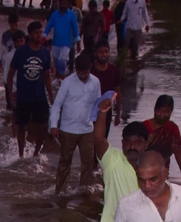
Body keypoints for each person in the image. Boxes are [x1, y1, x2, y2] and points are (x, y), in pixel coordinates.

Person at [91, 97, 146, 222]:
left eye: (138, 142)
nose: (132, 146)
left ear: (146, 144)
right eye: (128, 141)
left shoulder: (151, 167)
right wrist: (102, 114)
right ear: (122, 143)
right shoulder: (113, 160)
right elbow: (98, 139)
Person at [49, 53, 100, 193]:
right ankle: (59, 191)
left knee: (88, 162)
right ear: (75, 70)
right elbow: (57, 105)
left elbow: (98, 104)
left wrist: (97, 125)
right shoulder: (67, 83)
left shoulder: (95, 82)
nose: (84, 76)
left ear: (90, 68)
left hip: (87, 129)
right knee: (65, 161)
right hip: (68, 129)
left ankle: (84, 190)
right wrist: (54, 125)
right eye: (81, 73)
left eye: (86, 73)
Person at [8, 21, 55, 158]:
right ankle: (21, 155)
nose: (39, 35)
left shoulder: (45, 52)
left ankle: (35, 153)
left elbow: (46, 75)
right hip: (23, 97)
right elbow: (11, 74)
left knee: (43, 126)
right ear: (30, 35)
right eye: (36, 33)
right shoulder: (20, 52)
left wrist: (51, 96)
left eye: (41, 32)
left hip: (39, 96)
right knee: (21, 127)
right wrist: (11, 95)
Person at [141, 94, 181, 187]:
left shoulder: (172, 128)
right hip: (144, 171)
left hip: (163, 172)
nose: (162, 115)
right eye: (160, 111)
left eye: (166, 112)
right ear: (155, 110)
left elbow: (177, 151)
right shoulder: (144, 127)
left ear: (171, 112)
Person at [89, 41, 122, 133]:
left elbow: (117, 92)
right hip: (90, 116)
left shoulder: (114, 70)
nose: (104, 54)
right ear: (95, 53)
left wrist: (118, 114)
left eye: (106, 51)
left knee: (102, 143)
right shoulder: (90, 72)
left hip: (106, 116)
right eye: (101, 52)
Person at [44, 0, 81, 77]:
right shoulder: (54, 14)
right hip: (55, 42)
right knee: (56, 60)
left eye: (64, 3)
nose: (62, 5)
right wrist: (43, 38)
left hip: (66, 43)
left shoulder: (72, 15)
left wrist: (78, 43)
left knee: (62, 60)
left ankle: (62, 76)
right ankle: (58, 77)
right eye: (61, 3)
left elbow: (75, 30)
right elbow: (48, 27)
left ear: (68, 4)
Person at [1, 29, 27, 111]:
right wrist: (12, 93)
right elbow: (6, 77)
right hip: (13, 88)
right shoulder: (9, 57)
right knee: (12, 112)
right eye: (17, 42)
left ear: (25, 40)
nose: (20, 44)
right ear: (14, 43)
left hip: (26, 88)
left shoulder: (29, 53)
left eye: (22, 41)